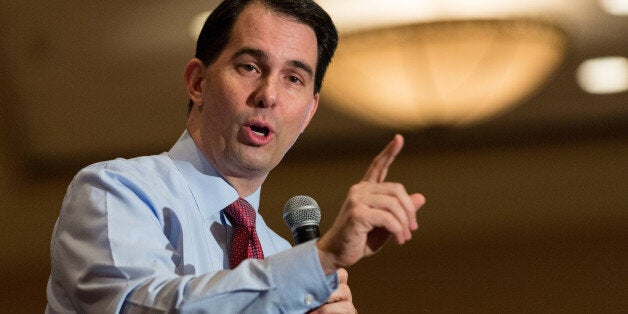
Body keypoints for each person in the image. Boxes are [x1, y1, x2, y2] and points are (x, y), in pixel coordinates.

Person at [45, 0, 426, 313]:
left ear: (309, 113)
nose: (268, 94)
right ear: (198, 82)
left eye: (293, 78)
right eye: (249, 67)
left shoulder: (282, 258)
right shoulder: (116, 191)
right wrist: (320, 261)